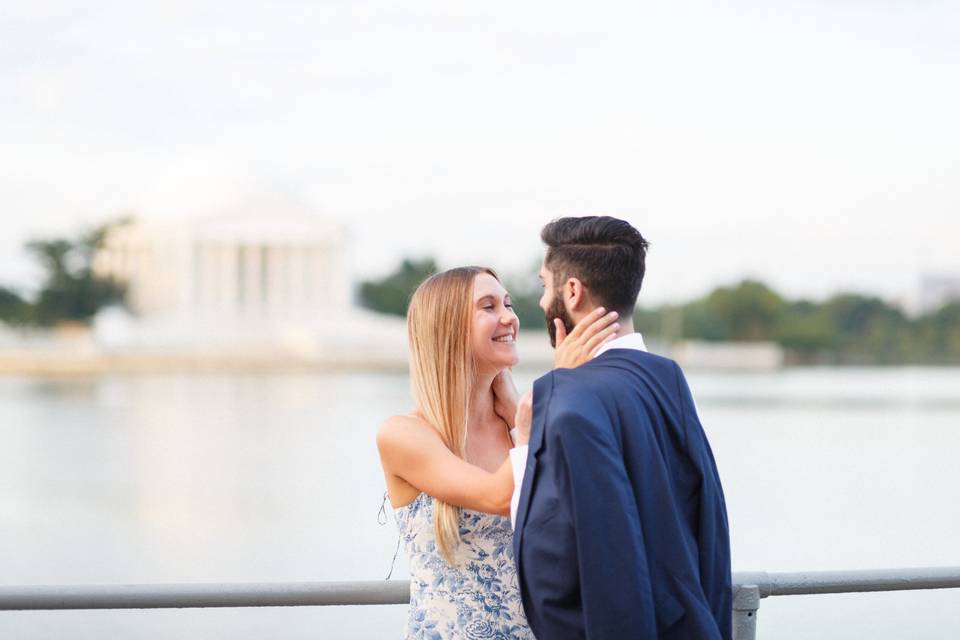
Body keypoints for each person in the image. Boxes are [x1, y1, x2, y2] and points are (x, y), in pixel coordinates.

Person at [510, 216, 733, 639]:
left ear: (572, 291)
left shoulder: (567, 398)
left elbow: (552, 555)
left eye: (544, 286)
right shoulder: (668, 379)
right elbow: (710, 530)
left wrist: (526, 440)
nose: (541, 302)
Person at [375, 266, 619, 640]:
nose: (509, 317)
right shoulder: (404, 435)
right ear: (448, 328)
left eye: (508, 303)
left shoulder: (520, 430)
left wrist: (518, 411)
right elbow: (496, 494)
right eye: (488, 307)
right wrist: (554, 389)